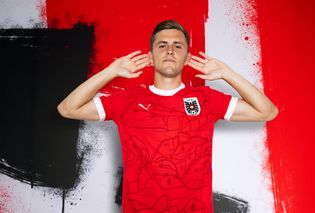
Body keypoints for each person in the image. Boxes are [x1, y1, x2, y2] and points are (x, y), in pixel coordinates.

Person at [58, 20, 278, 213]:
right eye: (162, 45)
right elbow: (67, 109)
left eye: (177, 45)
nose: (170, 50)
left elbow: (267, 111)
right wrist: (111, 71)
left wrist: (228, 74)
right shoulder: (126, 100)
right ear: (151, 57)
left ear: (186, 57)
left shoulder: (205, 99)